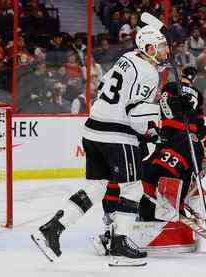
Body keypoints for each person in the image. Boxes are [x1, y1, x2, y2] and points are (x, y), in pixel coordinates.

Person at [31, 24, 169, 260]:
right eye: (162, 46)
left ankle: (53, 227)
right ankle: (119, 242)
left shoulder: (127, 57)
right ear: (148, 47)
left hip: (93, 128)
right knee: (133, 188)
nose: (166, 50)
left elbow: (106, 86)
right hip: (116, 134)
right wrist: (152, 130)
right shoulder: (150, 72)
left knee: (96, 187)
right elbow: (135, 114)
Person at [138, 66, 206, 220]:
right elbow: (168, 107)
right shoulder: (179, 88)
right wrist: (197, 131)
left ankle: (159, 204)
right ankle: (173, 205)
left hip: (178, 135)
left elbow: (167, 108)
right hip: (180, 136)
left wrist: (198, 130)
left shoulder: (176, 87)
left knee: (160, 167)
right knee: (182, 170)